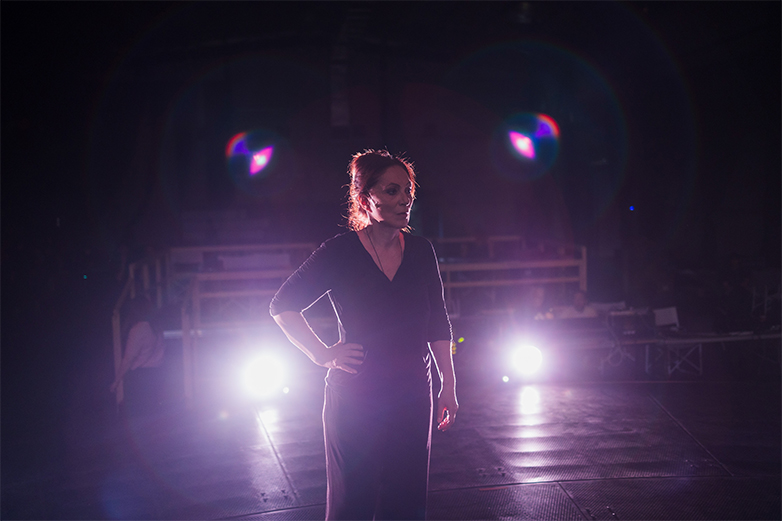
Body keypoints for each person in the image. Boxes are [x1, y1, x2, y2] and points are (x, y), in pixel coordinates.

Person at [269, 150, 457, 520]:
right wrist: (322, 354)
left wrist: (448, 385)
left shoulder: (422, 251)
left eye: (408, 191)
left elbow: (438, 321)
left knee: (406, 501)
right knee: (352, 502)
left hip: (412, 393)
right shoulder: (339, 251)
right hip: (356, 394)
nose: (404, 199)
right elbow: (282, 305)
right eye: (392, 190)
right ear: (365, 199)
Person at [110, 296, 166, 416]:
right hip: (156, 373)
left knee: (138, 414)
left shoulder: (138, 329)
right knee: (153, 413)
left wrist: (116, 381)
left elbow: (128, 359)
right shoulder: (157, 327)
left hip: (140, 377)